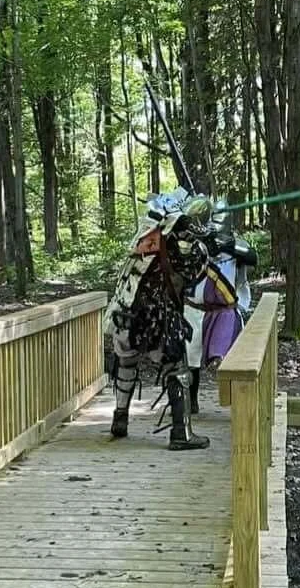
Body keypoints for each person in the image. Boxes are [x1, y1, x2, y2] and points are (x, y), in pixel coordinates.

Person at [104, 188, 217, 451]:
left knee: (126, 361)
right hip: (157, 318)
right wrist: (207, 246)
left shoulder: (148, 235)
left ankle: (120, 417)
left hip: (125, 311)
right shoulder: (187, 248)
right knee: (177, 370)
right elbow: (194, 274)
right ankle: (181, 433)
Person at [184, 206, 257, 413]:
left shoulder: (236, 247)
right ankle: (191, 402)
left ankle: (238, 404)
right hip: (194, 310)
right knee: (190, 359)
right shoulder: (192, 245)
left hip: (225, 311)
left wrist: (227, 246)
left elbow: (252, 258)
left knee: (228, 360)